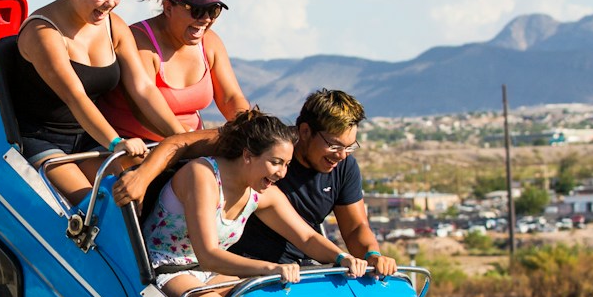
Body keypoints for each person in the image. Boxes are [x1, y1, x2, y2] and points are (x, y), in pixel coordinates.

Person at [116, 88, 400, 279]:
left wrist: (352, 257)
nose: (341, 155)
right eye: (334, 145)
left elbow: (330, 232)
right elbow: (180, 143)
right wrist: (143, 176)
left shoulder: (270, 189)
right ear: (304, 132)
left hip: (288, 270)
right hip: (228, 262)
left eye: (350, 147)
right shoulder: (261, 142)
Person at [143, 109, 368, 297]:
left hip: (209, 273)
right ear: (248, 155)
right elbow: (209, 255)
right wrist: (270, 268)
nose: (282, 173)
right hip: (169, 269)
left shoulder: (260, 192)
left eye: (287, 164)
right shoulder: (202, 175)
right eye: (276, 162)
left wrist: (341, 258)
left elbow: (307, 237)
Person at [8, 0, 188, 204]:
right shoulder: (43, 33)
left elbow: (143, 89)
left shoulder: (114, 26)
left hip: (88, 136)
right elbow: (75, 97)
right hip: (43, 140)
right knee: (91, 205)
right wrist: (116, 143)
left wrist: (182, 139)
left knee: (136, 193)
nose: (111, 2)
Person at [99, 0, 250, 141]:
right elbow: (143, 107)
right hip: (138, 147)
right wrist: (191, 140)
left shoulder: (210, 42)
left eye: (213, 10)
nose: (206, 19)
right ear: (168, 8)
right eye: (196, 10)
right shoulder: (140, 41)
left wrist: (247, 129)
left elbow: (230, 98)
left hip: (189, 144)